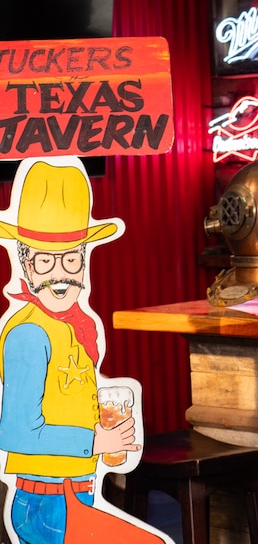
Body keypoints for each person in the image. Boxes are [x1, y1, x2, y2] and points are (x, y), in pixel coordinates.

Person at [0, 159, 159, 544]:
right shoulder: (28, 333)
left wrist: (104, 432)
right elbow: (15, 432)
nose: (60, 273)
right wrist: (95, 441)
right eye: (45, 260)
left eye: (71, 258)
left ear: (84, 262)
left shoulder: (73, 326)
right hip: (46, 502)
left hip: (74, 492)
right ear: (26, 265)